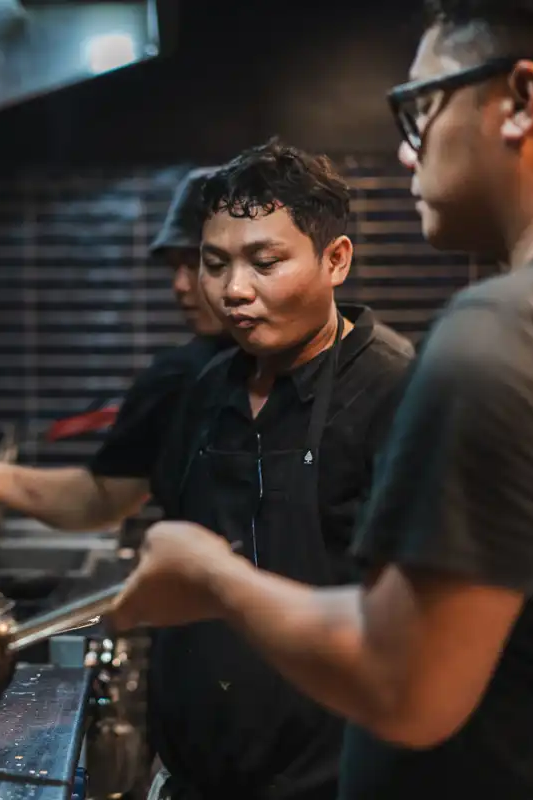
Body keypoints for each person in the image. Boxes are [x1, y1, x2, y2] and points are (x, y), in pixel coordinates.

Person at [112, 2, 533, 798]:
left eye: (421, 108)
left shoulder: (507, 333)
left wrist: (210, 576)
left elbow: (405, 683)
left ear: (523, 100)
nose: (405, 149)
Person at [134, 140, 413, 800]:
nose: (234, 291)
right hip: (195, 779)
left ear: (335, 259)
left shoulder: (396, 394)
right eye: (215, 264)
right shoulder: (205, 393)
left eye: (265, 263)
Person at [0, 167, 230, 529]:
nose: (179, 284)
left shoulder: (289, 375)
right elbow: (103, 497)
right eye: (174, 266)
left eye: (197, 263)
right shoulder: (173, 378)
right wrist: (1, 479)